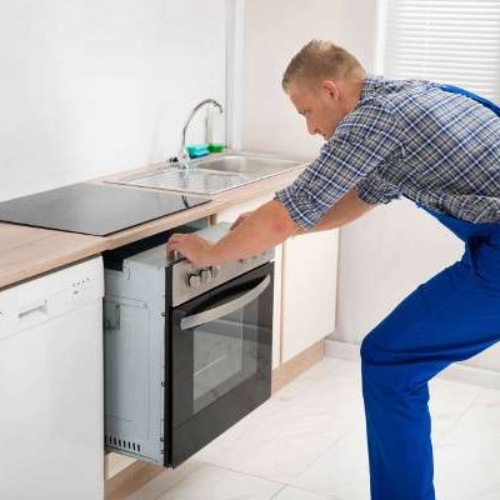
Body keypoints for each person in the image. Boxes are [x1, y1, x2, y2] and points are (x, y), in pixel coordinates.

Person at [166, 39, 500, 500]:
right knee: (393, 359)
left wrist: (211, 252)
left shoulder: (371, 121)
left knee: (390, 361)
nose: (309, 128)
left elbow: (288, 212)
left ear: (330, 90)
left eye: (306, 111)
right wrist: (282, 229)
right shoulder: (405, 94)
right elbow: (359, 199)